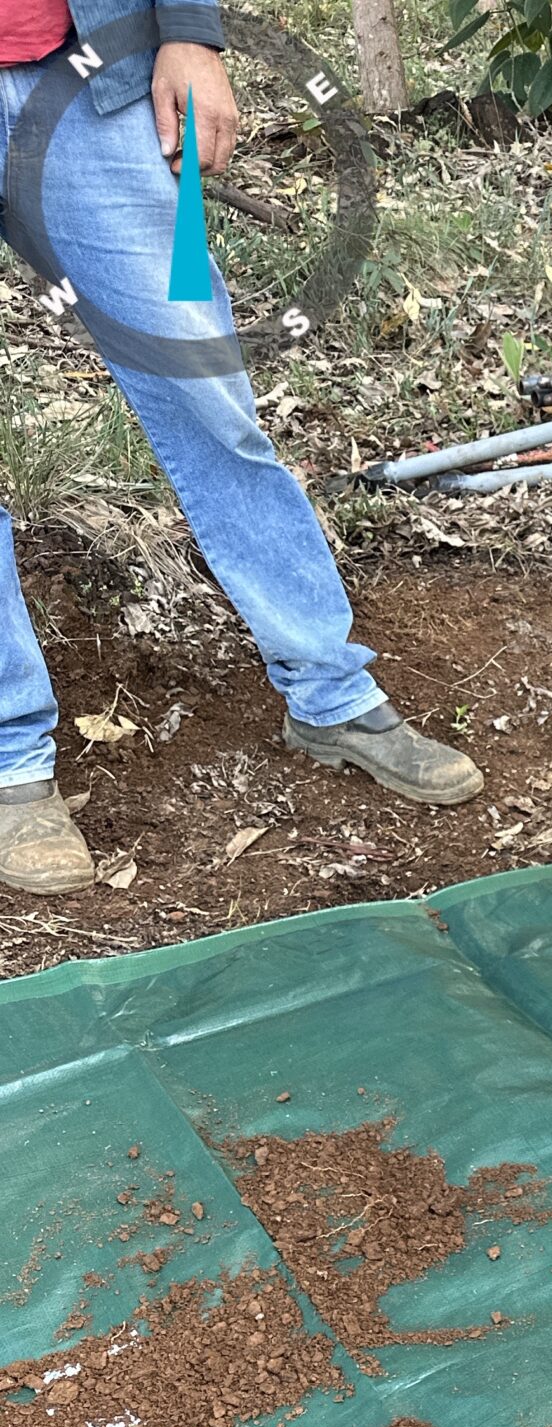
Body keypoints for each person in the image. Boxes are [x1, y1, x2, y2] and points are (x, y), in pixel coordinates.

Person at [0, 0, 480, 898]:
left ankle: (331, 694)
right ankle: (7, 759)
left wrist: (189, 32)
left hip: (86, 74)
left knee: (208, 398)